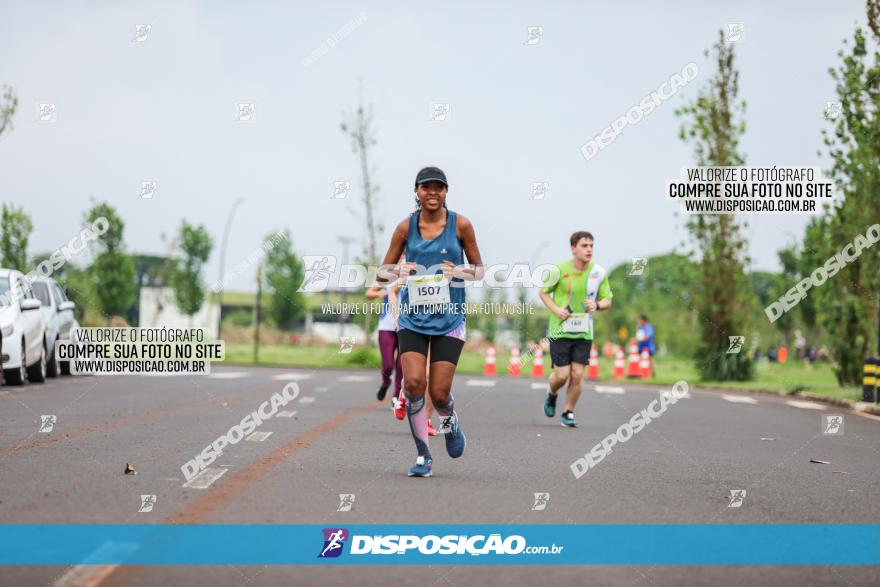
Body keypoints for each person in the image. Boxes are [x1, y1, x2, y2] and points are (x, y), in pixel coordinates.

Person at [376, 166, 483, 477]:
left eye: (439, 187)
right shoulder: (404, 228)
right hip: (412, 318)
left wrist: (458, 272)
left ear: (446, 192)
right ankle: (423, 455)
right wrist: (400, 271)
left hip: (449, 320)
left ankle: (450, 422)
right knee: (412, 385)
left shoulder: (461, 225)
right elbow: (382, 274)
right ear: (417, 191)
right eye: (426, 187)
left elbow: (479, 269)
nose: (432, 193)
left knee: (438, 393)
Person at [538, 231, 613, 428]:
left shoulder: (598, 273)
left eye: (591, 246)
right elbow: (544, 293)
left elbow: (608, 300)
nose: (589, 249)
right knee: (561, 376)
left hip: (584, 332)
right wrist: (556, 309)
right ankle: (552, 393)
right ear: (573, 248)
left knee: (578, 374)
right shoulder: (559, 270)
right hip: (560, 331)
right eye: (584, 245)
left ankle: (568, 412)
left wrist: (596, 305)